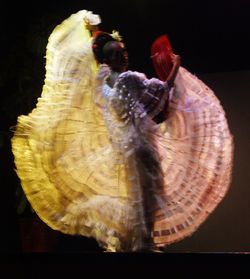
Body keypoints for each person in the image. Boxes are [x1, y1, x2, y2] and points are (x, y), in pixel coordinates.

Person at [11, 10, 233, 252]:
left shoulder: (102, 83)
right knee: (147, 195)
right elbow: (162, 91)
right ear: (109, 60)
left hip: (125, 148)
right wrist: (176, 66)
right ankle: (142, 245)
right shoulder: (127, 79)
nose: (123, 56)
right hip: (141, 147)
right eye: (118, 54)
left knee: (136, 196)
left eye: (123, 52)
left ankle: (134, 244)